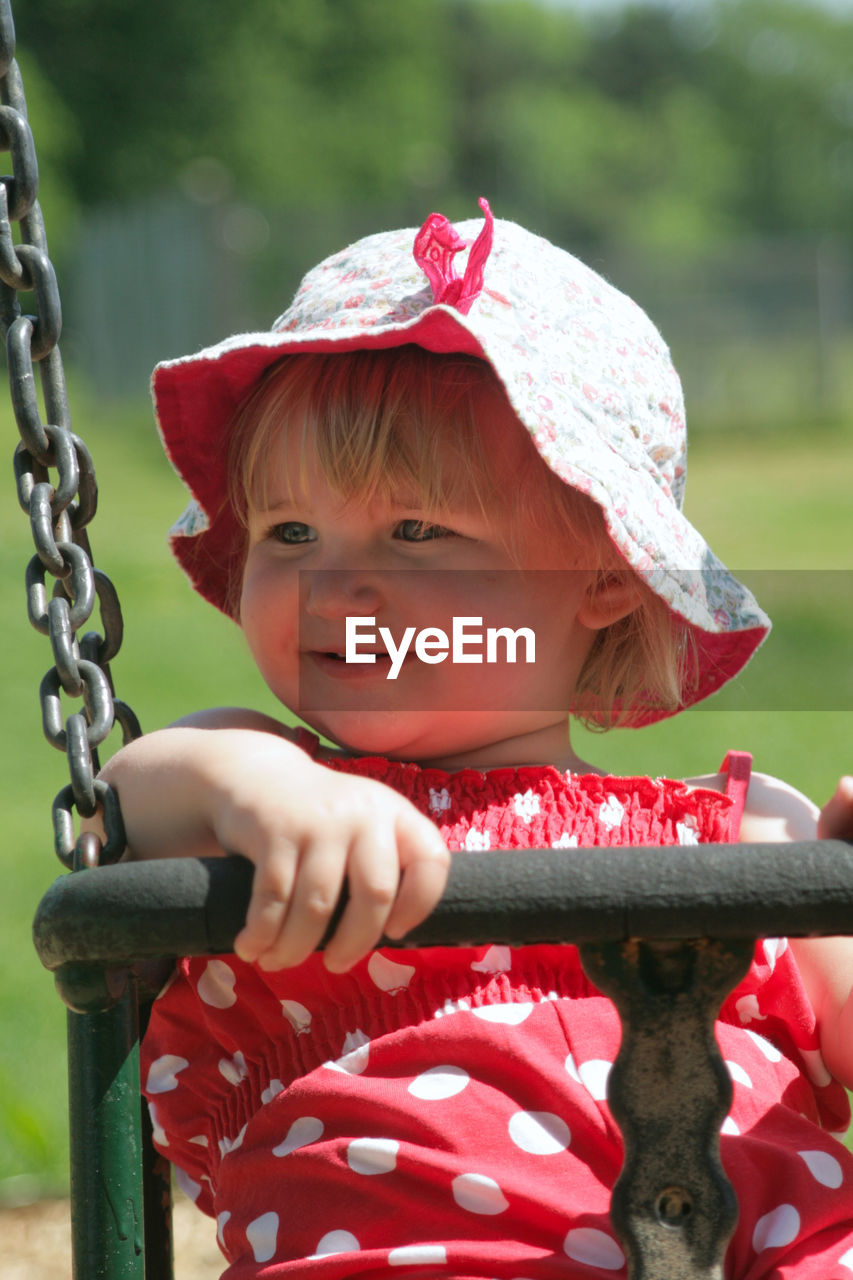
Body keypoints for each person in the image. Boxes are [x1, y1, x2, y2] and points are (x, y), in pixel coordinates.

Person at [95, 200, 853, 1277]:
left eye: (417, 530)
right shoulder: (261, 797)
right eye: (289, 531)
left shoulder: (751, 833)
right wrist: (273, 792)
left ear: (600, 570)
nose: (332, 580)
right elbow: (142, 791)